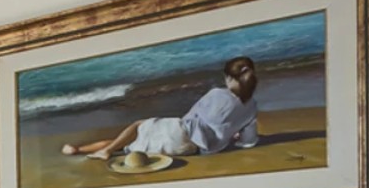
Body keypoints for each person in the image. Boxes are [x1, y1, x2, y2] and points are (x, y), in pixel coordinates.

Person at [63, 56, 261, 161]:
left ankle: (95, 150)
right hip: (193, 150)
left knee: (138, 126)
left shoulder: (217, 93)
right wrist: (229, 136)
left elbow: (191, 118)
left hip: (183, 133)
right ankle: (82, 149)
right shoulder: (252, 107)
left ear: (230, 78)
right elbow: (249, 141)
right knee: (128, 145)